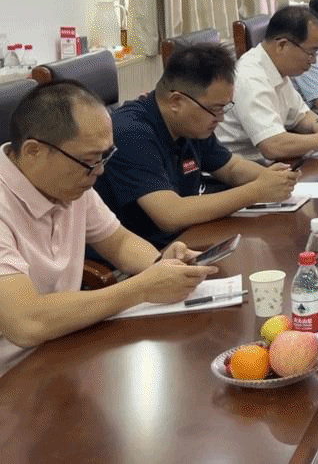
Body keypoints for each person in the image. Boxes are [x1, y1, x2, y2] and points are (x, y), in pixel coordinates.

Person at [0, 81, 215, 372]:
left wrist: (163, 265)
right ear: (33, 151)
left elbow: (119, 242)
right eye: (90, 161)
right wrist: (141, 288)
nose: (99, 171)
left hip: (63, 347)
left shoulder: (70, 183)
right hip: (13, 375)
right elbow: (26, 322)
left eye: (104, 157)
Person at [96, 45, 301, 249]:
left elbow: (231, 168)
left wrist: (276, 178)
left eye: (224, 108)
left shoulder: (190, 123)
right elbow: (170, 215)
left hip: (186, 238)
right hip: (146, 253)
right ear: (176, 101)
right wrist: (256, 191)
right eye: (215, 109)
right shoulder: (130, 133)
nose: (220, 118)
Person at [215, 5, 318, 162]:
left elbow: (300, 116)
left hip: (270, 165)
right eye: (310, 52)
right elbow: (273, 145)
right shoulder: (250, 77)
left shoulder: (277, 68)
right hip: (242, 170)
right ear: (282, 45)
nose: (313, 60)